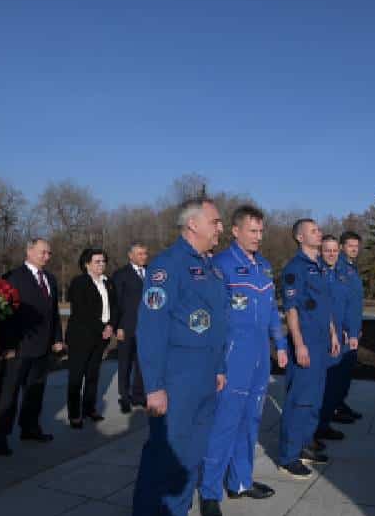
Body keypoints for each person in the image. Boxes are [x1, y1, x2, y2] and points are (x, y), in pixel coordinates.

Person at [132, 198, 228, 516]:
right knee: (165, 456)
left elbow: (218, 322)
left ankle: (179, 510)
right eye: (215, 221)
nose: (220, 228)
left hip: (205, 378)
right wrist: (154, 385)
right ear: (193, 224)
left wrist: (219, 368)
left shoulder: (210, 267)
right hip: (177, 380)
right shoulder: (167, 266)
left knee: (191, 457)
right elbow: (151, 329)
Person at [198, 205, 288, 515]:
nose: (258, 237)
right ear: (235, 231)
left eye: (261, 231)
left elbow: (272, 310)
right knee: (226, 422)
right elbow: (211, 316)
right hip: (234, 353)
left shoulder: (263, 266)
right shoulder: (221, 265)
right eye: (253, 231)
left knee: (251, 420)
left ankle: (240, 482)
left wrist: (281, 343)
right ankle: (210, 491)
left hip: (260, 354)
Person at [277, 218, 339, 479]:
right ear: (300, 237)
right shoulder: (295, 268)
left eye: (319, 229)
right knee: (299, 400)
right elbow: (291, 309)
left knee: (314, 399)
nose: (319, 233)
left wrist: (333, 334)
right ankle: (288, 456)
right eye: (313, 230)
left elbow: (325, 306)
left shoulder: (321, 267)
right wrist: (299, 344)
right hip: (306, 343)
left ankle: (305, 444)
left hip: (322, 342)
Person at [0, 238, 64, 455]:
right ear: (29, 251)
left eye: (49, 253)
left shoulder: (50, 279)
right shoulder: (13, 278)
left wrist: (57, 338)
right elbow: (4, 316)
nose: (47, 257)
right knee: (8, 394)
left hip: (43, 348)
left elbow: (53, 313)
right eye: (43, 252)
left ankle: (30, 428)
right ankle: (0, 436)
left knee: (35, 391)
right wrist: (7, 346)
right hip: (19, 348)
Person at [65, 247, 118, 428]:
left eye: (103, 261)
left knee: (93, 374)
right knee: (76, 376)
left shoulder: (108, 282)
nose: (101, 264)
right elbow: (82, 311)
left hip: (101, 337)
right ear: (87, 264)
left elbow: (115, 307)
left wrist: (111, 325)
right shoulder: (79, 283)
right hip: (81, 336)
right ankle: (74, 414)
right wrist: (102, 328)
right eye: (97, 261)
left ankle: (90, 409)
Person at [315, 235, 352, 441]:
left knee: (332, 385)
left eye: (335, 251)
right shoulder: (317, 273)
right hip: (322, 336)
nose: (331, 254)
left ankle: (325, 423)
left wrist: (346, 329)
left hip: (337, 334)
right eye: (327, 250)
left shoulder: (338, 273)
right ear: (321, 251)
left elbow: (343, 304)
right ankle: (314, 429)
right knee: (320, 387)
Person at [111, 242, 150, 414]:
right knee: (125, 363)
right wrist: (117, 326)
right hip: (126, 327)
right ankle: (124, 397)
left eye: (145, 253)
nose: (144, 256)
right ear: (130, 255)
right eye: (140, 254)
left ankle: (139, 396)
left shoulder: (152, 273)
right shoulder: (120, 275)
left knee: (142, 363)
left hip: (146, 328)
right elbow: (116, 303)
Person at [332, 231, 364, 422]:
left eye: (357, 245)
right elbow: (338, 302)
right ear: (342, 246)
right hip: (343, 331)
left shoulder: (352, 268)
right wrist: (344, 329)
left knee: (346, 371)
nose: (354, 248)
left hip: (352, 330)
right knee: (339, 371)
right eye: (350, 245)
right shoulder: (339, 268)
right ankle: (333, 408)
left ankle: (340, 403)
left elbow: (354, 303)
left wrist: (356, 328)